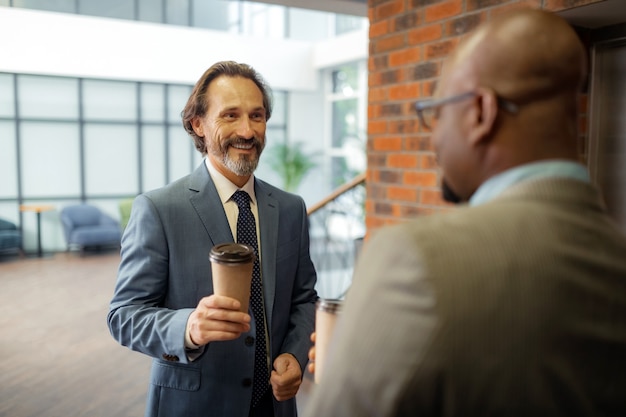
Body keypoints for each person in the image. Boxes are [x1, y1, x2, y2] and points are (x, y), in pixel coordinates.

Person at [304, 9, 626, 417]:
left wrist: (341, 374)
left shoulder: (415, 261)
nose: (434, 137)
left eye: (437, 113)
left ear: (480, 113)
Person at [107, 61, 318, 417]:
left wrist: (295, 356)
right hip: (192, 405)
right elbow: (124, 315)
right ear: (198, 124)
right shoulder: (158, 209)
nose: (248, 131)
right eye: (230, 115)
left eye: (257, 116)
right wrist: (187, 327)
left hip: (275, 407)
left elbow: (304, 299)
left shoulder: (291, 208)